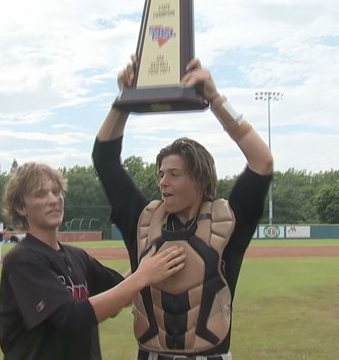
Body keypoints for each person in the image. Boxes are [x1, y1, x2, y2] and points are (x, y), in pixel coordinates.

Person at [92, 56, 273, 359]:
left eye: (174, 175)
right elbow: (105, 160)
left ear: (200, 179)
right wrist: (123, 101)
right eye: (161, 174)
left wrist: (214, 99)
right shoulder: (142, 219)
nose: (163, 182)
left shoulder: (227, 222)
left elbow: (262, 162)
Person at [0, 161, 186, 360]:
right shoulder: (23, 260)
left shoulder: (77, 257)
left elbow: (120, 290)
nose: (53, 200)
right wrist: (142, 276)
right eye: (40, 194)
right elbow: (70, 317)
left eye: (56, 191)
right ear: (20, 207)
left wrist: (156, 254)